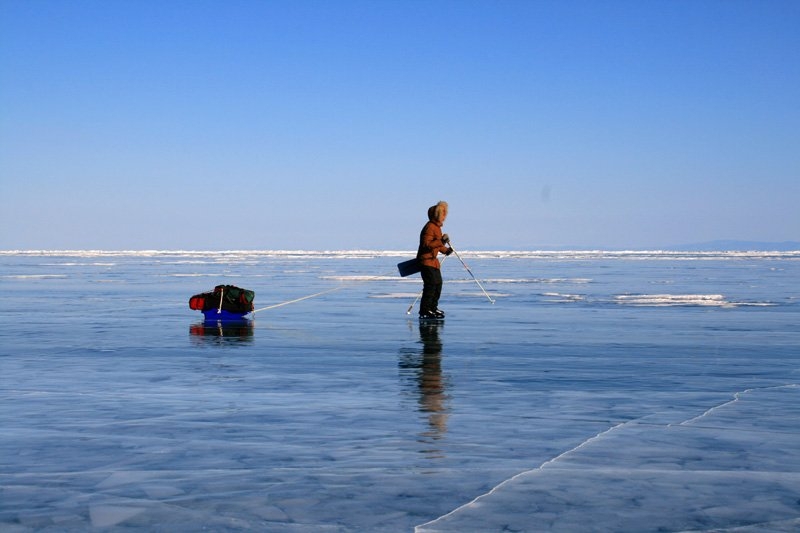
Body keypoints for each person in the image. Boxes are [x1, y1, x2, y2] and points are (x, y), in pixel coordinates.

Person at [416, 201, 453, 319]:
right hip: (426, 261)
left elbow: (437, 245)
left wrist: (446, 250)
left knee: (438, 284)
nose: (444, 217)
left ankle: (433, 308)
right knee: (431, 285)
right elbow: (427, 244)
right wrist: (441, 241)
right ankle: (425, 310)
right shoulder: (430, 227)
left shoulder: (436, 228)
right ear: (437, 215)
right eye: (443, 215)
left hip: (433, 262)